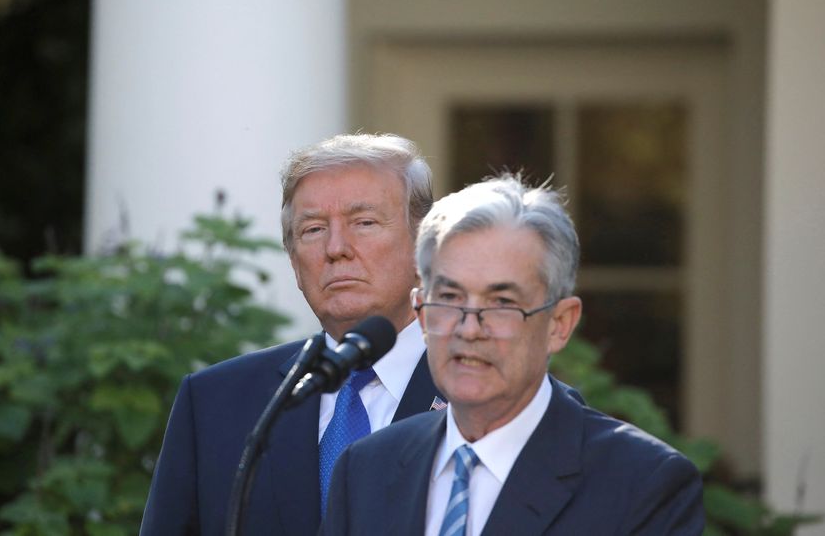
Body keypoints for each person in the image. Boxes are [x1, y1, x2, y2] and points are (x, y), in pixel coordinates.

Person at [321, 174, 704, 536]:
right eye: (450, 298)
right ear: (421, 313)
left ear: (559, 324)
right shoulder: (365, 469)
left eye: (502, 303)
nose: (469, 329)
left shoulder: (642, 483)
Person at [140, 133, 445, 536]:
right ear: (293, 259)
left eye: (364, 223)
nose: (336, 248)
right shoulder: (215, 403)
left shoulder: (480, 391)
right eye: (313, 229)